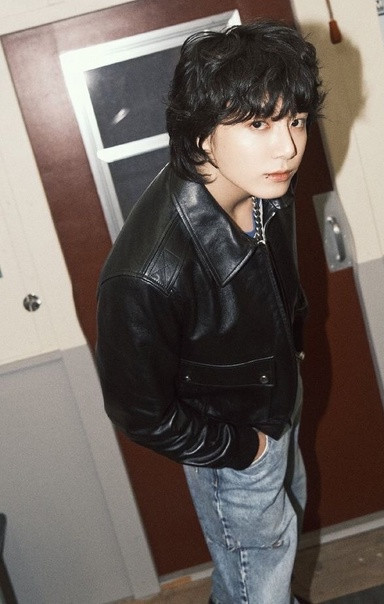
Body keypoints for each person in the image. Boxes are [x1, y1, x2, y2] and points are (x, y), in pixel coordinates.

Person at [96, 19, 325, 604]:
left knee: (276, 560)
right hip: (234, 444)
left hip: (277, 405)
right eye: (258, 124)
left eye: (296, 120)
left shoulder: (266, 188)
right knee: (257, 590)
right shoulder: (148, 273)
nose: (288, 146)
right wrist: (244, 448)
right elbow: (138, 413)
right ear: (201, 136)